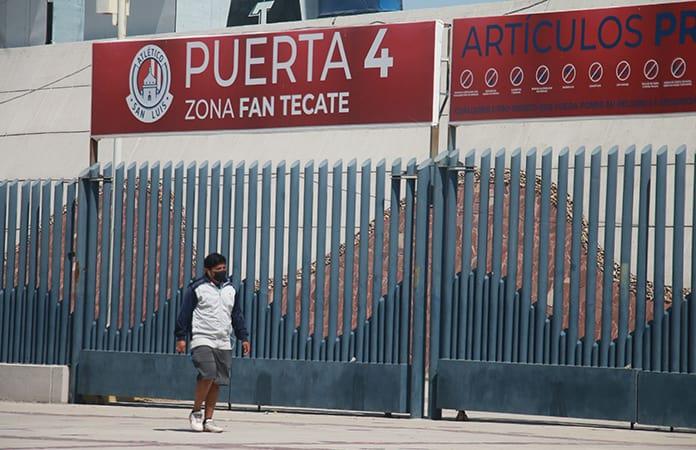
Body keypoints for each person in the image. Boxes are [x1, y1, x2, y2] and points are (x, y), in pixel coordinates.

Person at [175, 252, 250, 433]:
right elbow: (185, 313)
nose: (222, 272)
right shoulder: (197, 288)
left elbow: (236, 315)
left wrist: (243, 337)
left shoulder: (231, 289)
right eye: (218, 269)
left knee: (217, 380)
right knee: (207, 373)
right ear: (208, 271)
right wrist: (180, 337)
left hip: (223, 339)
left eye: (224, 268)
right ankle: (196, 412)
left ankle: (209, 419)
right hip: (202, 337)